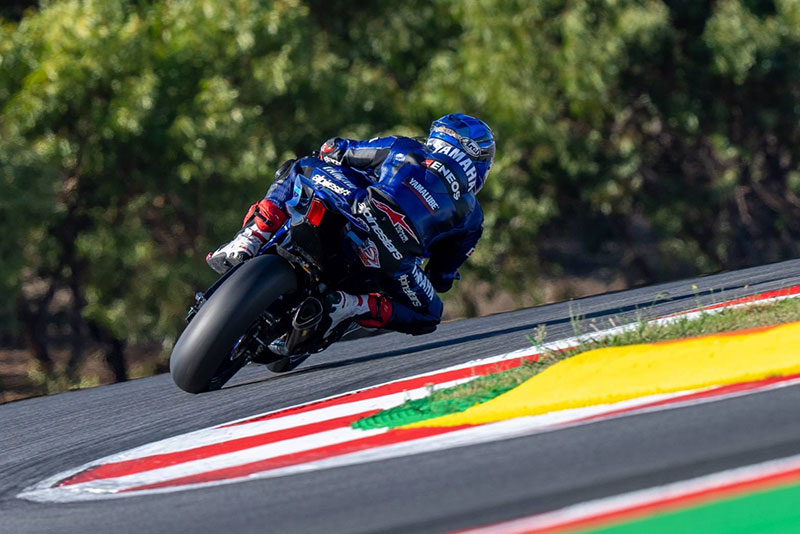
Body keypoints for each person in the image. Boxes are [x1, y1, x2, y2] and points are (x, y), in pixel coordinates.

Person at [207, 113, 495, 339]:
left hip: (354, 204)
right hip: (393, 258)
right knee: (429, 314)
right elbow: (441, 276)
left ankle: (250, 238)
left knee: (299, 167)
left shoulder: (405, 147)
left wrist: (330, 152)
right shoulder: (473, 215)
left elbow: (338, 149)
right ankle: (351, 305)